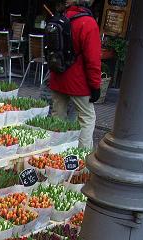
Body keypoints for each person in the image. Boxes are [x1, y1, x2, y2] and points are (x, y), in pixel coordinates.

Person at [49, 0, 101, 149]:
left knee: (57, 118)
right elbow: (93, 60)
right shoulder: (88, 23)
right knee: (87, 118)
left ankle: (55, 154)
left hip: (58, 76)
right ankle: (82, 159)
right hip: (79, 82)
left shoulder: (61, 17)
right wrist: (95, 86)